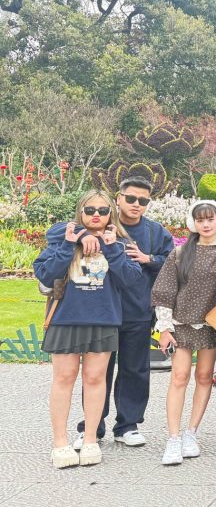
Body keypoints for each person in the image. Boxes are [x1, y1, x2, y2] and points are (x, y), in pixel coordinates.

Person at [34, 191, 143, 468]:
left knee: (95, 379)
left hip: (103, 319)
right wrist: (73, 242)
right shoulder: (65, 237)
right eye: (90, 209)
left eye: (103, 210)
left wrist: (112, 248)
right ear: (80, 211)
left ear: (111, 214)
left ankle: (91, 439)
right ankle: (60, 442)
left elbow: (131, 280)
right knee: (64, 378)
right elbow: (45, 273)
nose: (96, 214)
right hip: (66, 319)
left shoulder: (120, 242)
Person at [73, 177, 173, 450]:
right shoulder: (102, 222)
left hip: (137, 311)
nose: (136, 204)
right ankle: (92, 427)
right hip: (102, 311)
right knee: (96, 372)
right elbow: (64, 230)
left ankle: (128, 425)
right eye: (131, 198)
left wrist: (149, 259)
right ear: (118, 198)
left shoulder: (155, 232)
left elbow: (172, 262)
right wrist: (84, 235)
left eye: (143, 200)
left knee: (135, 370)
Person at [152, 201, 216, 465]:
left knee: (205, 376)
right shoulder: (180, 253)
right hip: (181, 323)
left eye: (210, 219)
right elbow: (164, 291)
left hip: (212, 324)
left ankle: (191, 433)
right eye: (200, 220)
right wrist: (164, 328)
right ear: (192, 223)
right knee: (179, 376)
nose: (205, 224)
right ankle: (173, 438)